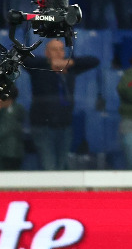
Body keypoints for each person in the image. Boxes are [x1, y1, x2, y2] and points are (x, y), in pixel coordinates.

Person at [22, 37, 98, 170]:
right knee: (49, 165)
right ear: (46, 52)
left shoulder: (70, 68)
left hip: (65, 125)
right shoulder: (39, 68)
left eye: (61, 49)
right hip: (43, 126)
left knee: (61, 166)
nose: (58, 52)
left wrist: (69, 63)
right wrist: (49, 63)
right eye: (54, 50)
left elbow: (94, 61)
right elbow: (23, 60)